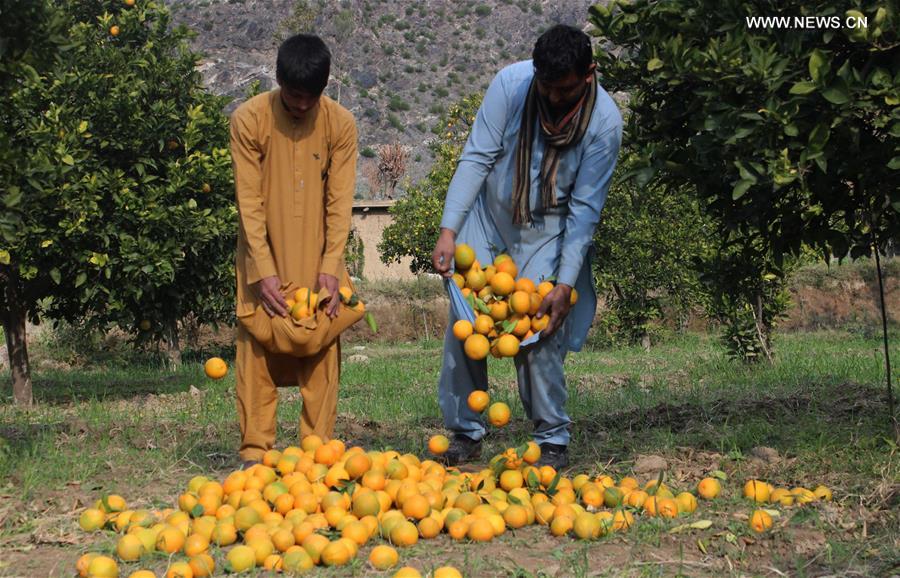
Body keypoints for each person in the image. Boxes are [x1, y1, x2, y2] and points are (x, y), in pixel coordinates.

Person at [431, 24, 623, 469]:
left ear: (589, 74)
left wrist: (565, 281)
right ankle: (464, 432)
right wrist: (448, 230)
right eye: (547, 87)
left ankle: (552, 438)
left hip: (550, 230)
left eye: (566, 89)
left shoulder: (604, 125)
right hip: (489, 217)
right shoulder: (511, 85)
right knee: (467, 323)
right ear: (534, 74)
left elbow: (584, 212)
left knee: (539, 329)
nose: (555, 98)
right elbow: (477, 157)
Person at [230, 34, 357, 467]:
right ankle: (253, 453)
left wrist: (331, 267)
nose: (302, 106)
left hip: (319, 258)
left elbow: (340, 204)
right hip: (260, 257)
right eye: (294, 96)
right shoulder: (248, 120)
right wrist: (262, 270)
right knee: (257, 350)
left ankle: (316, 455)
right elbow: (249, 202)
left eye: (312, 97)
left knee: (321, 345)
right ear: (278, 80)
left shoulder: (341, 125)